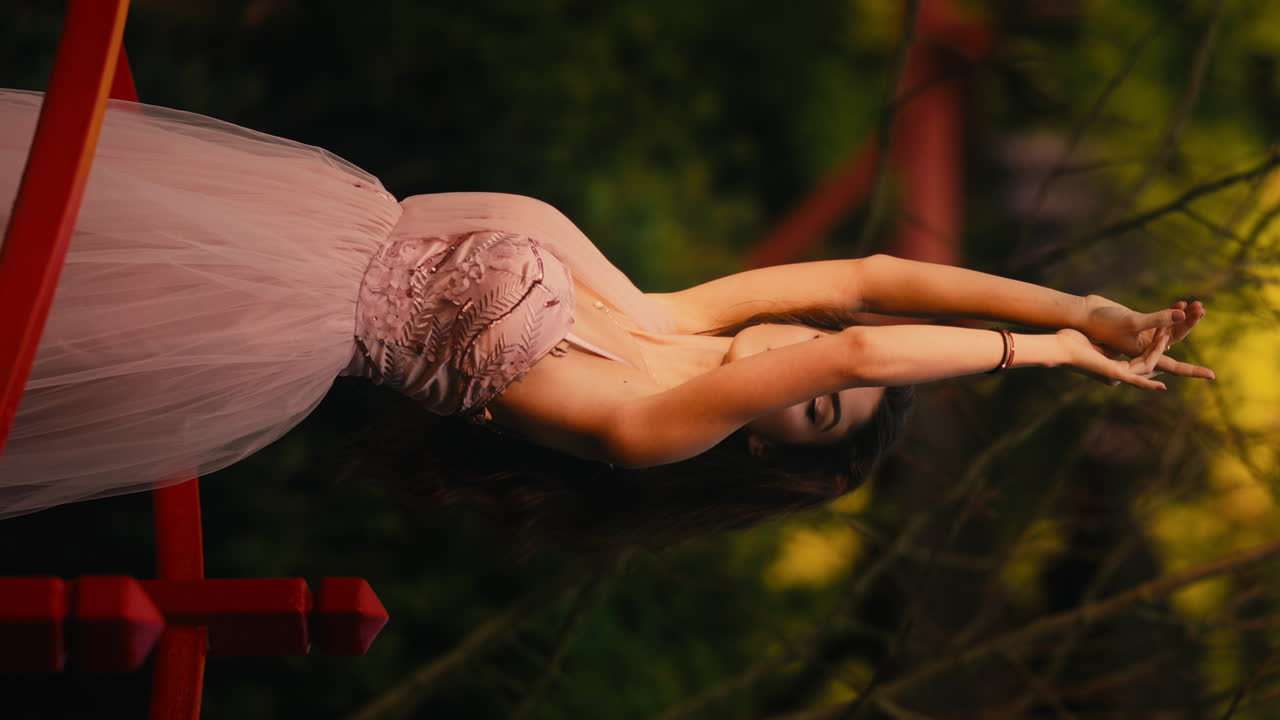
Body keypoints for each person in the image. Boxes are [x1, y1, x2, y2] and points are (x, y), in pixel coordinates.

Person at [0, 89, 1214, 545]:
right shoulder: (667, 314)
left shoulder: (654, 421)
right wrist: (1081, 304)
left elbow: (858, 339)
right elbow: (865, 279)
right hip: (297, 221)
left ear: (764, 447)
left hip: (258, 309)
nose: (813, 371)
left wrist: (1048, 354)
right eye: (826, 381)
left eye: (820, 412)